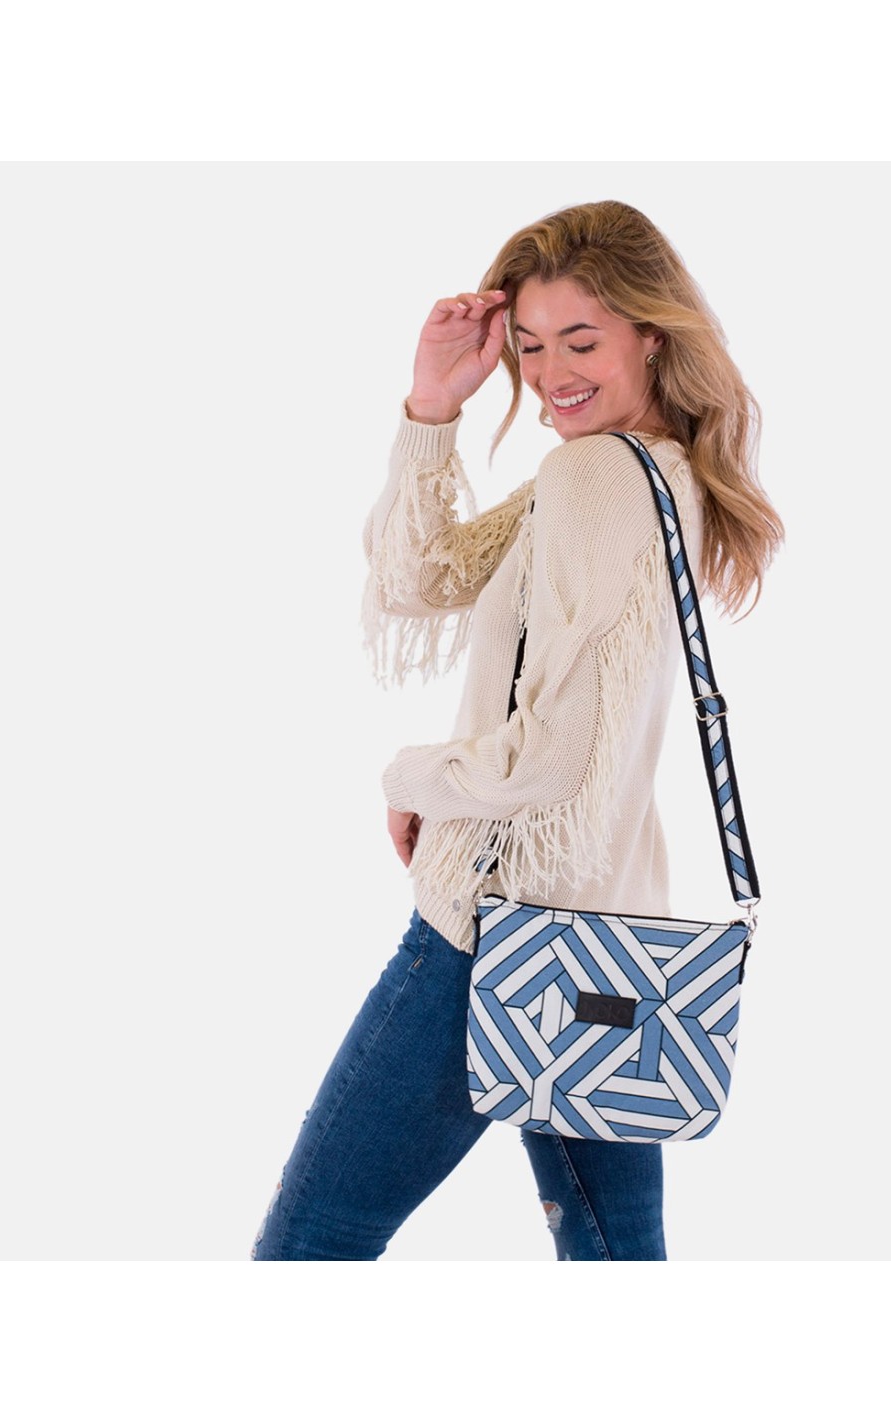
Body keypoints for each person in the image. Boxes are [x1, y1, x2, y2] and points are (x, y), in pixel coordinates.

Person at [250, 199, 784, 1262]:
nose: (549, 375)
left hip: (493, 932)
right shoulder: (659, 473)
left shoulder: (595, 474)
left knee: (310, 1246)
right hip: (604, 944)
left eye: (581, 341)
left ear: (651, 334)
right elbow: (420, 578)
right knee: (614, 1256)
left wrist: (411, 777)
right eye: (531, 347)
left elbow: (549, 757)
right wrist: (433, 405)